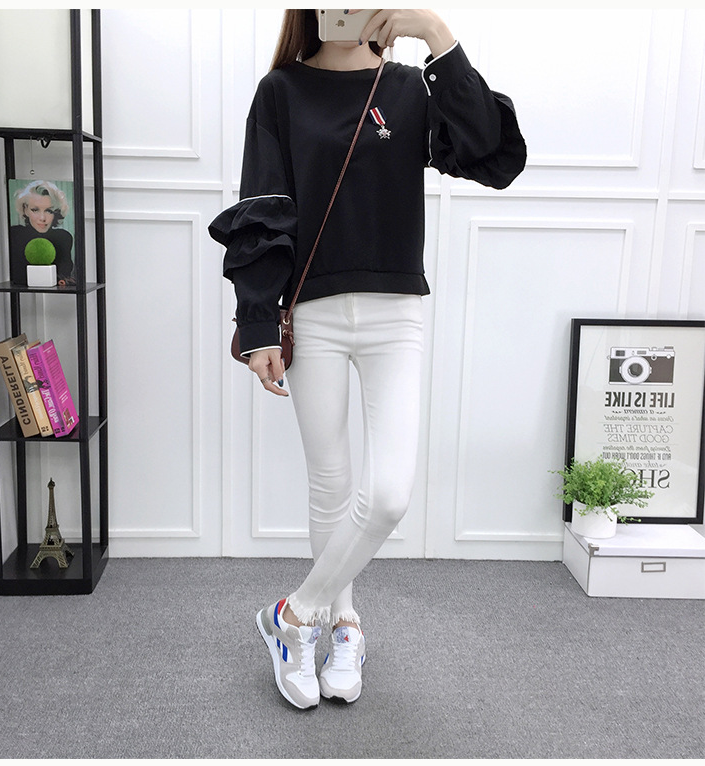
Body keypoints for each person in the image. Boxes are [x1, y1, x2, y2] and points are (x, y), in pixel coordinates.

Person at [209, 8, 526, 709]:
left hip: (394, 312)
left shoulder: (409, 87)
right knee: (330, 483)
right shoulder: (281, 91)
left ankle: (293, 616)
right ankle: (343, 624)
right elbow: (264, 204)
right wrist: (258, 323)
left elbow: (488, 151)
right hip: (313, 312)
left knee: (386, 495)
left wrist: (435, 32)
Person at [9, 179, 75, 286]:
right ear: (25, 210)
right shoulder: (15, 235)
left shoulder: (63, 238)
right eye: (35, 210)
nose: (42, 218)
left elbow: (64, 275)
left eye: (49, 211)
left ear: (56, 212)